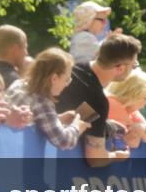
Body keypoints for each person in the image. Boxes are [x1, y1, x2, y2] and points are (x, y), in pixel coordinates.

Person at [56, 33, 141, 167]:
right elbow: (95, 158)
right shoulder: (97, 101)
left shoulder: (72, 68)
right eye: (133, 65)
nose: (133, 69)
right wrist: (117, 156)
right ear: (120, 68)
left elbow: (75, 108)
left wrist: (103, 124)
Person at [6, 47, 90, 149]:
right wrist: (77, 126)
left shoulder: (19, 84)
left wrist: (58, 119)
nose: (67, 85)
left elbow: (32, 120)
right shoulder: (41, 102)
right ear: (54, 78)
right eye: (67, 79)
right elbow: (63, 141)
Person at [106, 69, 146, 148]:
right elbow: (133, 143)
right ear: (133, 93)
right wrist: (141, 131)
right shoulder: (112, 104)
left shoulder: (130, 109)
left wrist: (143, 129)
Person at [69, 0, 114, 65]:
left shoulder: (83, 36)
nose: (105, 23)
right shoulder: (85, 37)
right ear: (89, 19)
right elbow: (101, 58)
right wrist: (109, 42)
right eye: (102, 20)